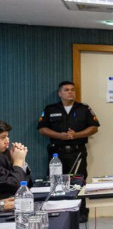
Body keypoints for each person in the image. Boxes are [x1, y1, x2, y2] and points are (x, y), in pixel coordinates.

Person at [37, 80, 100, 221]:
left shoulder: (84, 109)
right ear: (59, 93)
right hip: (56, 153)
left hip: (77, 152)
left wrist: (76, 135)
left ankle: (80, 213)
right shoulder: (50, 109)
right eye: (66, 90)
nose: (70, 92)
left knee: (78, 182)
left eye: (72, 89)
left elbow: (94, 127)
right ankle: (57, 212)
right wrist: (59, 135)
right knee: (55, 182)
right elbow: (42, 129)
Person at [0, 121, 32, 199]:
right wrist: (18, 162)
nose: (7, 141)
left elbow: (27, 185)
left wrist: (22, 162)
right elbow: (15, 187)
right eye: (3, 137)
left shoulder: (6, 153)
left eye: (7, 137)